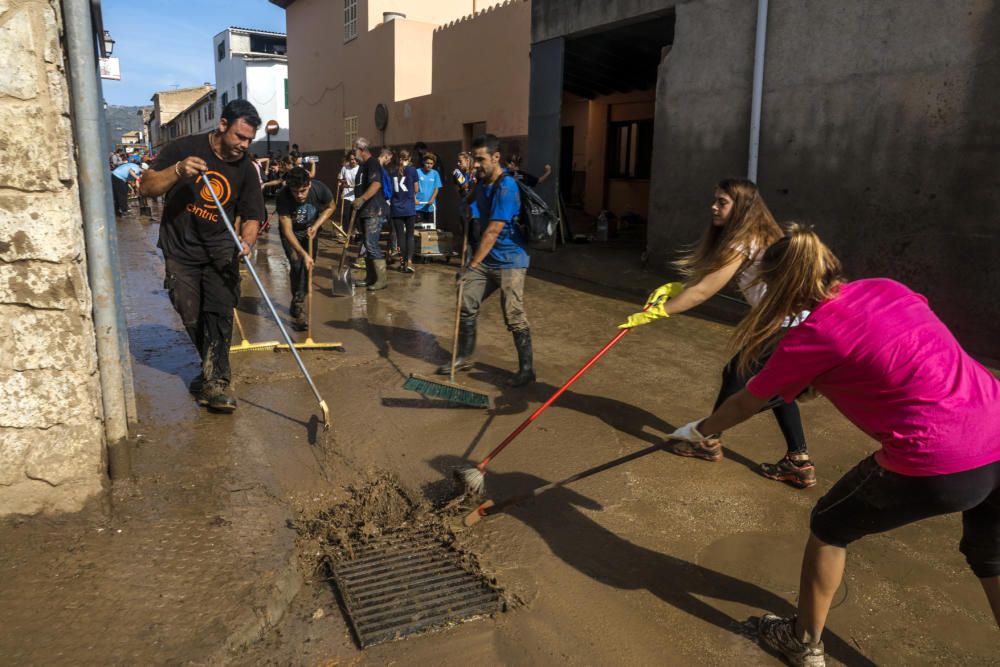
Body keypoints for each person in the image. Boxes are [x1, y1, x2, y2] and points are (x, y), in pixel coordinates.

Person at [668, 224, 1000, 665]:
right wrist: (829, 380)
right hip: (996, 429)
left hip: (937, 455)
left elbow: (747, 401)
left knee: (829, 526)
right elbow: (898, 351)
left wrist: (702, 429)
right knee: (991, 556)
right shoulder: (887, 287)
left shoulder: (810, 338)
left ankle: (802, 641)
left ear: (782, 288)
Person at [621, 178, 816, 488]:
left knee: (737, 373)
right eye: (715, 200)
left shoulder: (746, 240)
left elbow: (704, 292)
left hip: (783, 326)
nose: (713, 206)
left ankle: (707, 438)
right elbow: (705, 282)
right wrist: (677, 290)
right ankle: (798, 460)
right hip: (797, 324)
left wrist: (658, 311)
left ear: (741, 208)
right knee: (776, 386)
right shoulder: (765, 234)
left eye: (722, 202)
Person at [139, 99, 266, 413]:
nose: (243, 145)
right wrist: (178, 170)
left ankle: (218, 383)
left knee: (220, 316)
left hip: (222, 252)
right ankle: (209, 372)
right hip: (180, 250)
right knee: (192, 315)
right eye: (239, 136)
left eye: (249, 140)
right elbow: (147, 187)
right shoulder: (183, 148)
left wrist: (246, 243)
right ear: (222, 125)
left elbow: (252, 216)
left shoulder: (247, 169)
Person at [437, 133, 534, 387]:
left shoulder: (507, 186)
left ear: (496, 157)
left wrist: (470, 266)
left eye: (480, 160)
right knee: (466, 301)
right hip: (488, 257)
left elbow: (492, 231)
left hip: (511, 259)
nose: (476, 165)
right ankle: (465, 357)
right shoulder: (482, 183)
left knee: (513, 314)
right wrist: (466, 207)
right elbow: (469, 200)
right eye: (474, 159)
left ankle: (527, 370)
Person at [276, 166, 337, 329]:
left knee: (309, 267)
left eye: (303, 191)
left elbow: (331, 206)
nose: (299, 195)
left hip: (310, 231)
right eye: (295, 191)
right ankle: (300, 308)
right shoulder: (282, 196)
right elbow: (287, 230)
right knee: (297, 263)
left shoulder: (319, 189)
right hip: (291, 234)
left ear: (309, 185)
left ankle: (298, 298)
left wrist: (316, 225)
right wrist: (303, 253)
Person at [350, 137, 390, 291]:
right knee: (367, 245)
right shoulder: (362, 166)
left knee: (372, 244)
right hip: (364, 211)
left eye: (355, 150)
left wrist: (362, 199)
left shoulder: (372, 163)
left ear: (361, 150)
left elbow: (376, 184)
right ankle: (370, 278)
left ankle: (381, 279)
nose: (353, 154)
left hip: (374, 210)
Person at [389, 149, 419, 273]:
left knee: (400, 236)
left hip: (396, 207)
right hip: (409, 207)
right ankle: (410, 262)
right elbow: (416, 188)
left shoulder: (392, 171)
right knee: (410, 236)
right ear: (409, 159)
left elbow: (390, 190)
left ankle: (402, 263)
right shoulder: (412, 170)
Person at [454, 151, 480, 248]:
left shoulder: (476, 173)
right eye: (458, 161)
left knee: (475, 236)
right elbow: (459, 189)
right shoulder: (458, 174)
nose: (458, 163)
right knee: (465, 236)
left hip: (475, 211)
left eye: (460, 161)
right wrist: (461, 186)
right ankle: (467, 258)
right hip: (464, 208)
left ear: (468, 160)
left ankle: (476, 258)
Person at [415, 152, 442, 227]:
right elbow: (412, 187)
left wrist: (432, 199)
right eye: (427, 163)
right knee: (418, 227)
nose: (429, 165)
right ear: (423, 162)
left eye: (431, 163)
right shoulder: (417, 172)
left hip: (430, 206)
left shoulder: (435, 173)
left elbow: (436, 188)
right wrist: (414, 198)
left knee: (429, 228)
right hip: (418, 205)